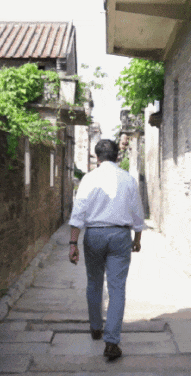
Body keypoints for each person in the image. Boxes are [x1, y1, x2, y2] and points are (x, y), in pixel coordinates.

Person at [68, 139, 144, 361]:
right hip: (120, 235)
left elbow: (78, 212)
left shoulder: (89, 179)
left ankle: (95, 328)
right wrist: (137, 239)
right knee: (117, 288)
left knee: (94, 282)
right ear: (117, 156)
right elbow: (137, 213)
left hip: (94, 235)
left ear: (97, 157)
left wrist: (73, 244)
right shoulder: (128, 179)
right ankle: (111, 341)